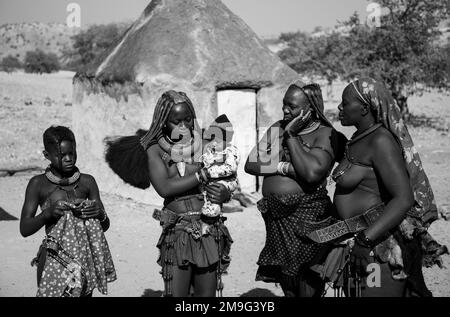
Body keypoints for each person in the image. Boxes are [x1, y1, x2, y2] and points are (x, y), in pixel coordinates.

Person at [307, 78, 448, 297]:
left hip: (378, 247)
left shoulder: (380, 141)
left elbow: (403, 199)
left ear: (364, 107)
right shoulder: (358, 139)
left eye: (345, 103)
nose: (340, 108)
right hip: (355, 242)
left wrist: (365, 240)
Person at [105, 90, 234, 297]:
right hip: (178, 231)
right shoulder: (155, 150)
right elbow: (164, 187)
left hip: (209, 227)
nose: (183, 126)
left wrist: (224, 193)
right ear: (164, 122)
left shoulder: (206, 143)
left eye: (187, 119)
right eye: (176, 122)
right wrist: (202, 175)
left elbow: (226, 179)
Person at [244, 81, 346, 297]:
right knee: (288, 282)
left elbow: (311, 174)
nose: (285, 110)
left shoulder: (324, 133)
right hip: (277, 219)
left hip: (308, 217)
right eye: (284, 105)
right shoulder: (277, 128)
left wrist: (289, 140)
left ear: (310, 109)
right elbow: (251, 164)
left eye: (292, 106)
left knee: (308, 282)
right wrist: (286, 167)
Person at [20, 126, 117, 297]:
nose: (69, 159)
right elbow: (24, 229)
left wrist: (99, 213)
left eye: (72, 153)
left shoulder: (87, 182)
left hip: (85, 258)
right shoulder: (38, 184)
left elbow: (105, 225)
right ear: (46, 156)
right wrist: (47, 213)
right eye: (62, 155)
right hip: (53, 259)